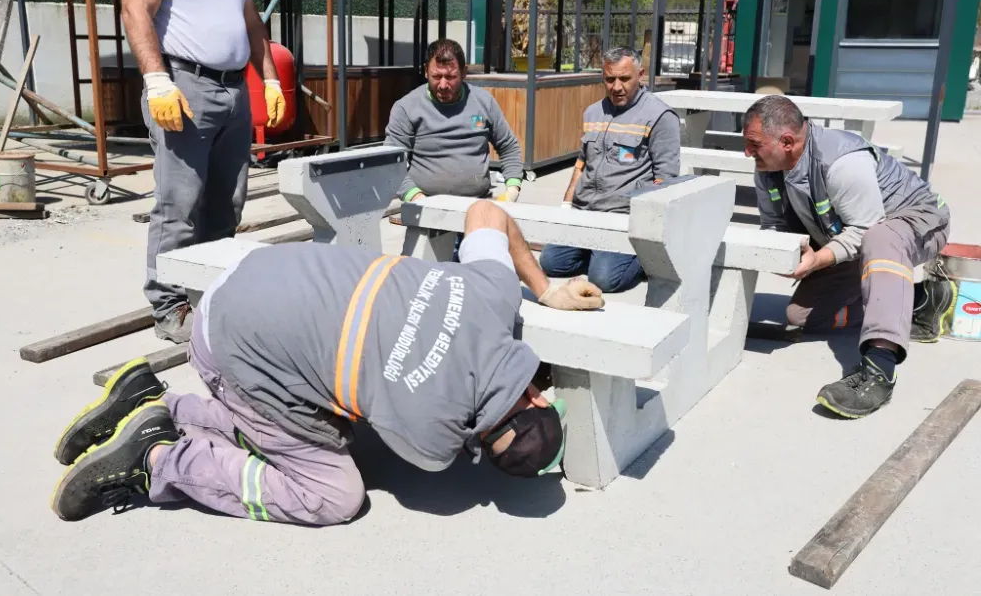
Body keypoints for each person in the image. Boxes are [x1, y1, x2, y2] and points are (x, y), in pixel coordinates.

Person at [50, 201, 605, 524]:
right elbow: (396, 428)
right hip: (231, 344)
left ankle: (156, 403)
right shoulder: (436, 442)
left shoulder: (494, 293)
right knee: (334, 492)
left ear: (536, 395)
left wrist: (545, 289)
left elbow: (487, 211)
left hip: (254, 277)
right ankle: (159, 462)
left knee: (326, 408)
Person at [745, 95, 955, 419]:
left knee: (880, 237)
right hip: (857, 239)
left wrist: (817, 260)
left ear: (786, 142)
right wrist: (782, 255)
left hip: (918, 222)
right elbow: (774, 226)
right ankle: (920, 300)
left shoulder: (841, 163)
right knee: (801, 316)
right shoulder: (768, 169)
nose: (747, 152)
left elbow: (866, 228)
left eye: (754, 144)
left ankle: (879, 370)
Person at [122, 0, 286, 344]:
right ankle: (170, 305)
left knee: (227, 202)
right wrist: (157, 80)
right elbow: (135, 8)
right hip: (184, 85)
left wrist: (269, 78)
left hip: (235, 89)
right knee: (180, 203)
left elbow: (251, 21)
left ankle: (210, 291)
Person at [540, 46, 682, 293]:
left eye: (624, 79)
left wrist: (648, 235)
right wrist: (566, 206)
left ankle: (638, 258)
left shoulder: (660, 116)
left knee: (604, 280)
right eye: (609, 79)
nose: (616, 87)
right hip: (585, 211)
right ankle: (601, 254)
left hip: (623, 216)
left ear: (640, 75)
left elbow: (665, 180)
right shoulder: (593, 112)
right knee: (551, 263)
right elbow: (582, 163)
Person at [384, 39, 525, 204]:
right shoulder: (406, 107)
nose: (443, 85)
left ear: (464, 72)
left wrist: (512, 190)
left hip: (478, 202)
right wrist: (416, 198)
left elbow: (508, 146)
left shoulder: (484, 102)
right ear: (426, 71)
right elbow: (391, 163)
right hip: (424, 203)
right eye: (436, 76)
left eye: (451, 77)